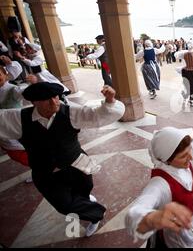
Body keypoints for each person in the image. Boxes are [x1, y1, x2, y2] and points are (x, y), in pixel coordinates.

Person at [0, 82, 125, 237]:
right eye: (47, 99)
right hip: (45, 172)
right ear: (33, 102)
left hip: (76, 163)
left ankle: (85, 201)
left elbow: (97, 115)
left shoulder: (70, 113)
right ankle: (96, 214)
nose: (54, 102)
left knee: (84, 188)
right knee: (64, 205)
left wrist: (110, 101)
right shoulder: (18, 118)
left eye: (55, 97)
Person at [125, 107, 193, 248]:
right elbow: (135, 212)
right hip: (179, 240)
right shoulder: (160, 183)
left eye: (190, 149)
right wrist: (154, 218)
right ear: (167, 160)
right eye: (184, 156)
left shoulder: (181, 156)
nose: (191, 156)